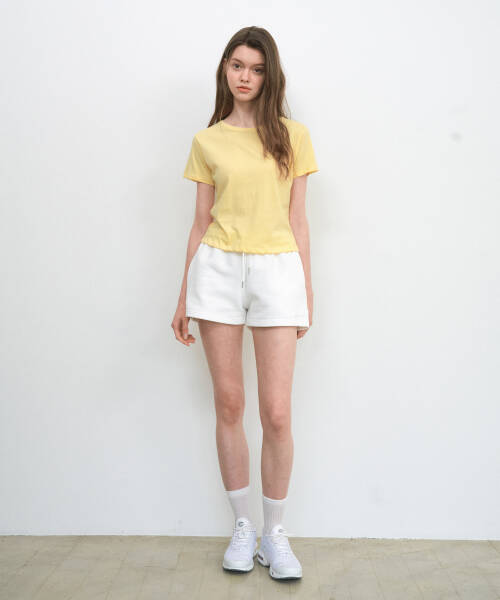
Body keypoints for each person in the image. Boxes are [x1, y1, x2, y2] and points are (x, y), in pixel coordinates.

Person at [172, 26, 319, 580]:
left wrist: (306, 288)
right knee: (229, 404)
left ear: (269, 75)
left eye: (256, 69)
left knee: (276, 412)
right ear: (225, 69)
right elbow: (199, 223)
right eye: (237, 65)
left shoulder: (293, 136)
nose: (245, 77)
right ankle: (242, 526)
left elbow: (299, 220)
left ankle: (274, 534)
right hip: (215, 270)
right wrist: (184, 293)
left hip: (277, 271)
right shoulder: (207, 140)